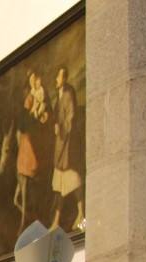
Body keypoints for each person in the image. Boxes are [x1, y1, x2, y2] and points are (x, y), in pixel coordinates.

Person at [49, 66, 83, 229]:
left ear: (64, 78)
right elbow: (58, 115)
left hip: (67, 146)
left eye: (59, 76)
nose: (56, 79)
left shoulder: (68, 94)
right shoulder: (59, 93)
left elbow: (70, 118)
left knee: (72, 181)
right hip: (60, 145)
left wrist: (61, 128)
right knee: (60, 184)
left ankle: (81, 214)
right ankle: (56, 221)